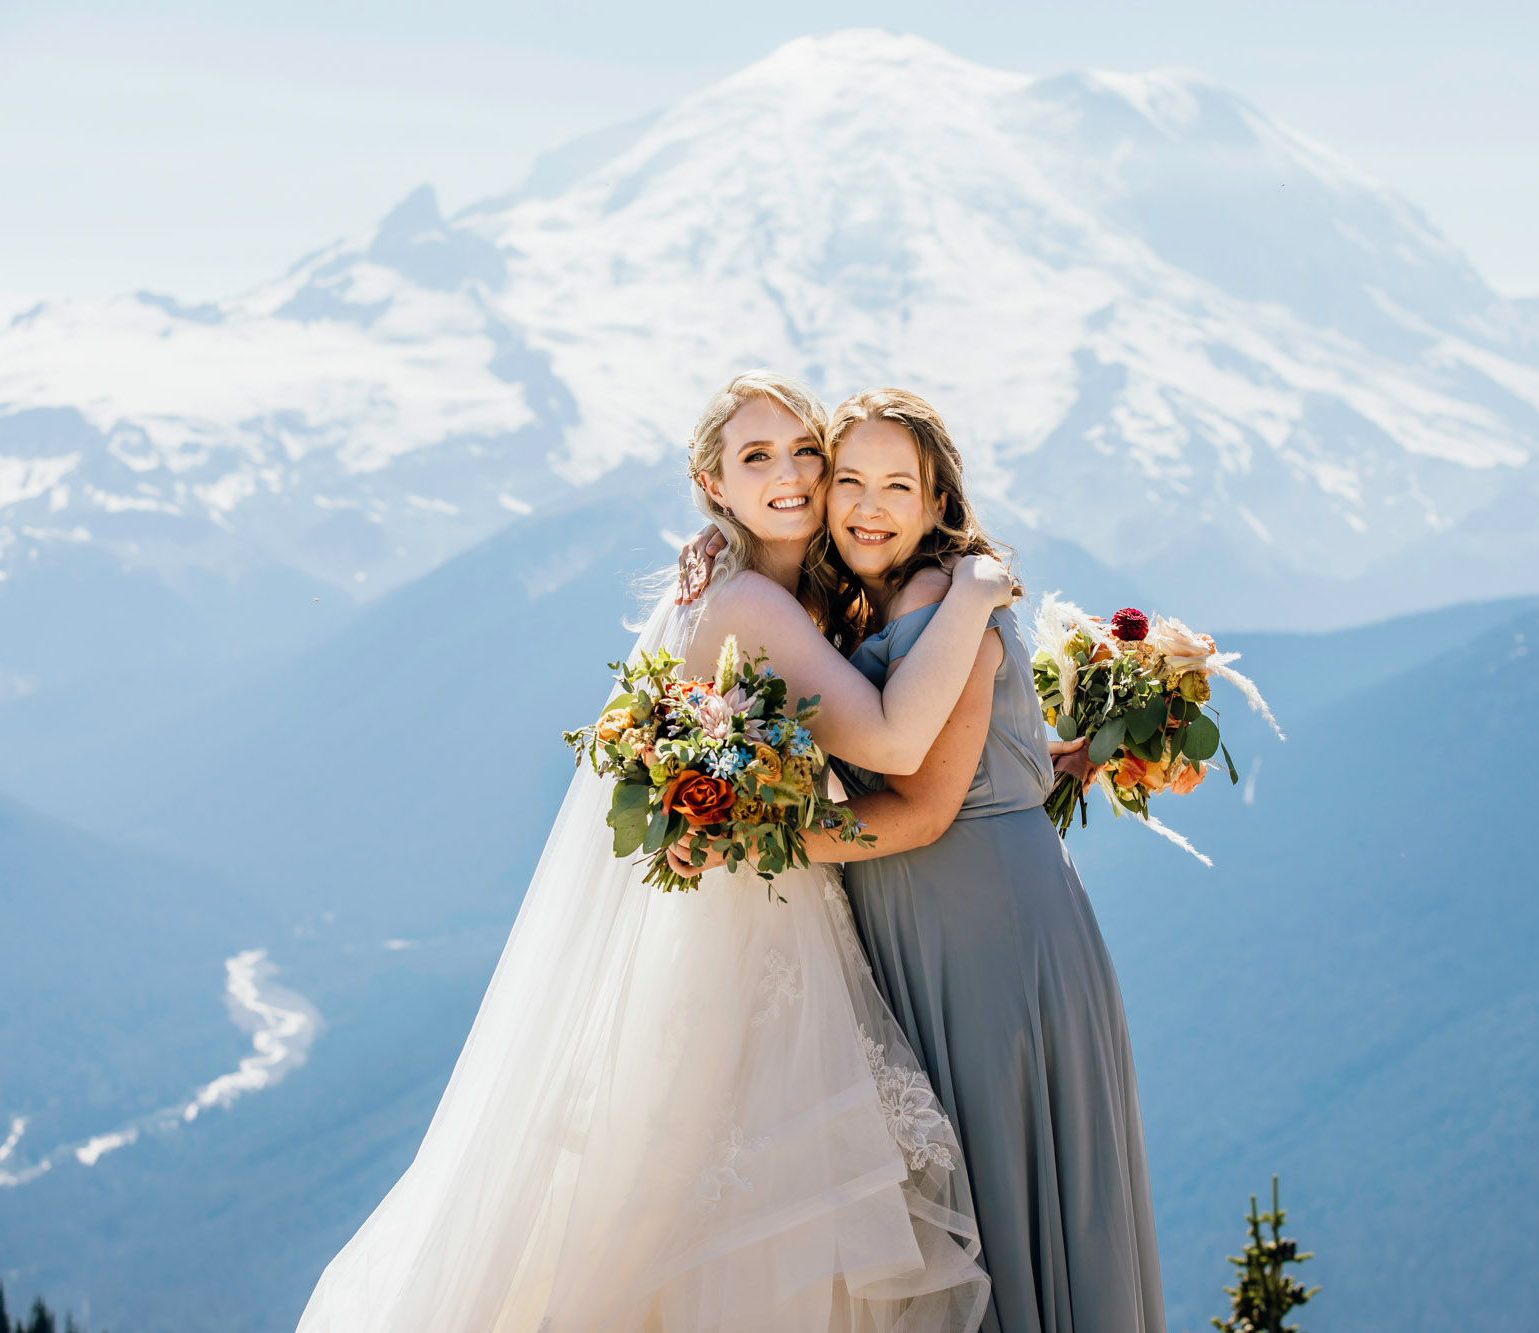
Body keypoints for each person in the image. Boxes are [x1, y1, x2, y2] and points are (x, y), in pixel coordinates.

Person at [294, 370, 1016, 1333]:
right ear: (710, 479)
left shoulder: (767, 591)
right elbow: (887, 743)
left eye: (807, 452)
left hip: (762, 929)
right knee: (756, 1220)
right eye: (756, 457)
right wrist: (972, 593)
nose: (793, 475)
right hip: (759, 942)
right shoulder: (753, 604)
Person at [676, 389, 1165, 1333]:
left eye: (897, 484)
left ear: (940, 502)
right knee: (967, 1205)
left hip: (986, 938)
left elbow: (925, 804)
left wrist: (749, 846)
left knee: (1007, 1202)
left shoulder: (950, 593)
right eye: (847, 476)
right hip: (917, 924)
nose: (863, 502)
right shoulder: (856, 599)